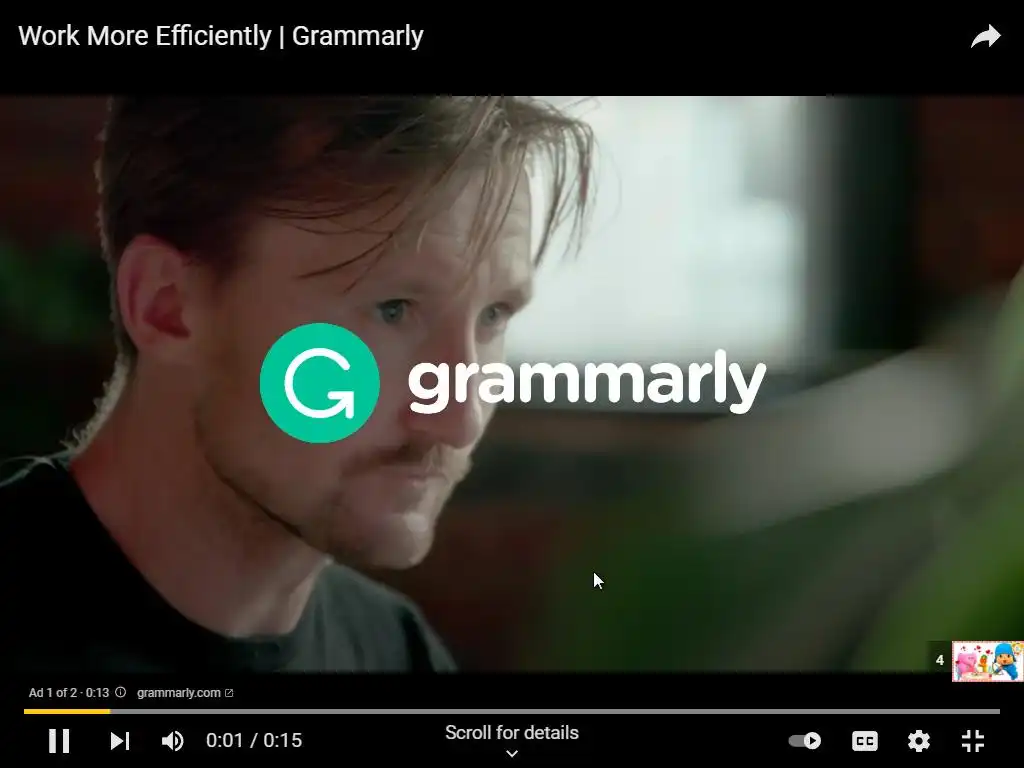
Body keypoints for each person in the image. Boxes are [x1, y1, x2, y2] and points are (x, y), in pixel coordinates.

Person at [5, 97, 593, 672]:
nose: (459, 418)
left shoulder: (400, 652)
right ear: (167, 306)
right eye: (391, 309)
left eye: (493, 316)